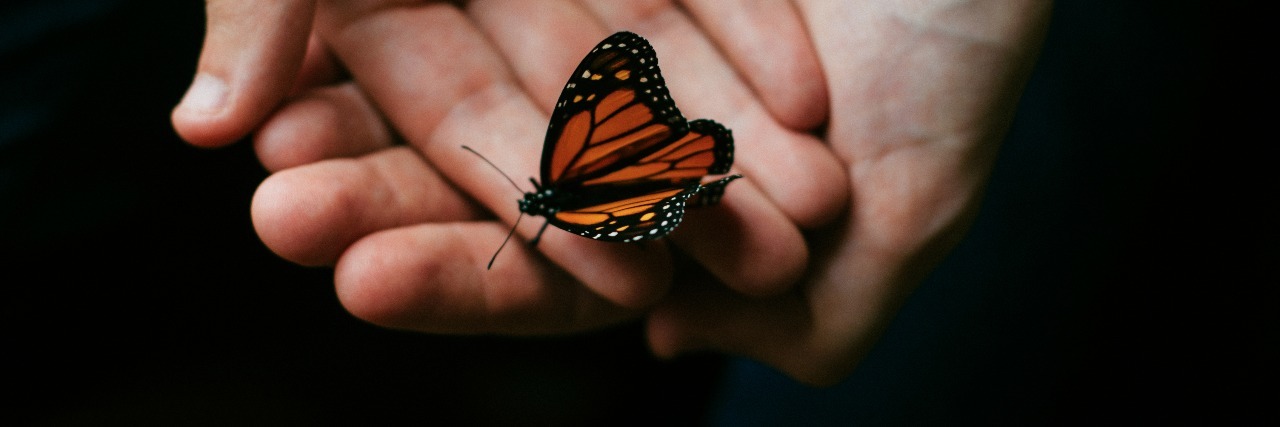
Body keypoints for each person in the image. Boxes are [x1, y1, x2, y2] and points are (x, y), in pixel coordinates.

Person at [171, 0, 1052, 387]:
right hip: (669, 177)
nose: (528, 205)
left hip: (661, 189)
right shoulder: (568, 186)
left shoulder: (567, 190)